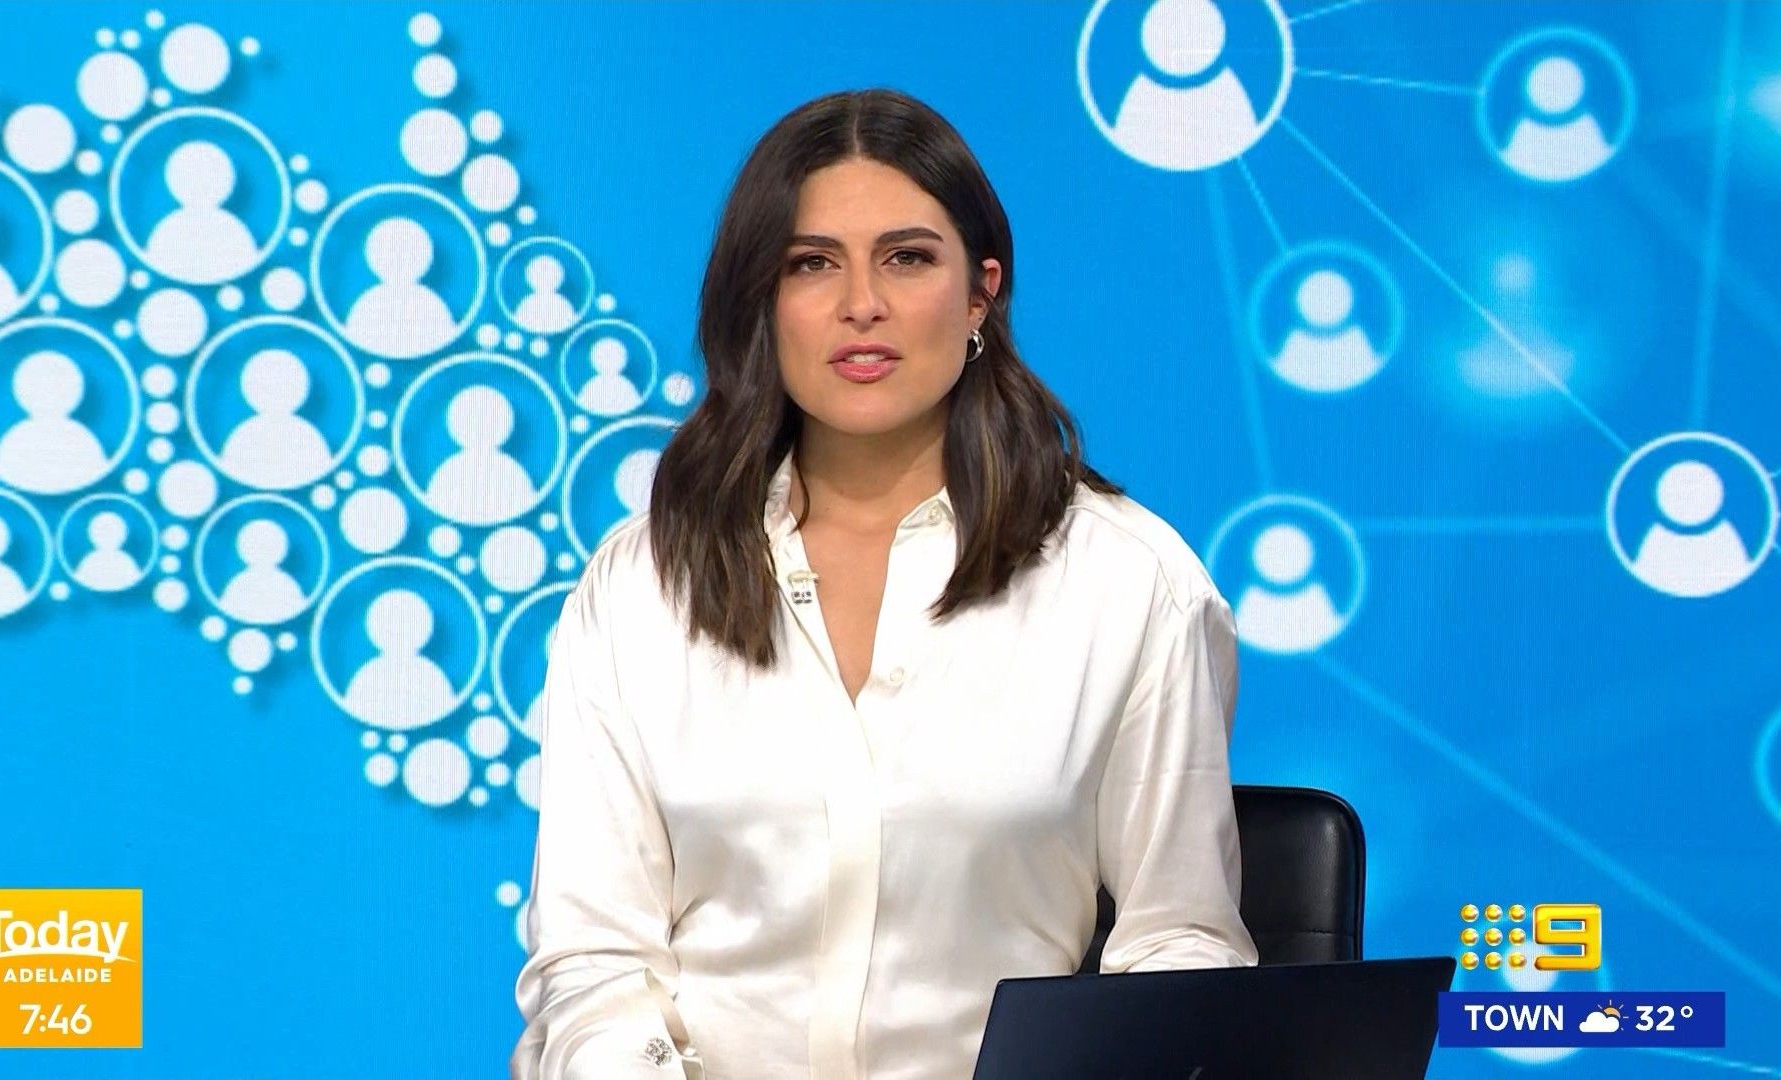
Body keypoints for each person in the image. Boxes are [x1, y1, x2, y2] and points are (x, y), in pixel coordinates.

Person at [511, 88, 1257, 1080]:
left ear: (980, 293)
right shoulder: (642, 585)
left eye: (906, 258)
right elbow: (593, 966)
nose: (861, 303)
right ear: (760, 300)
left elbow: (1180, 947)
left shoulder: (1132, 585)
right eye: (811, 263)